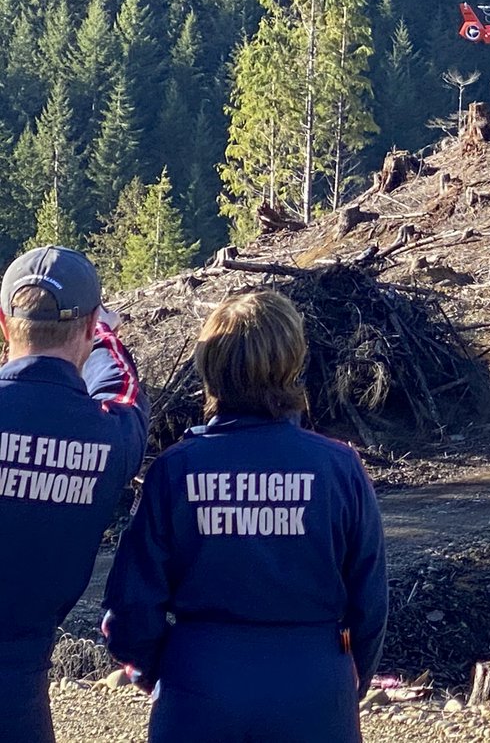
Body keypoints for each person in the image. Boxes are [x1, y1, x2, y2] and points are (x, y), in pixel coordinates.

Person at [102, 290, 388, 743]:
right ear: (292, 363)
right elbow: (369, 605)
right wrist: (345, 672)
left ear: (208, 366)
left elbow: (130, 608)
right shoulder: (339, 468)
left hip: (199, 683)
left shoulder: (176, 468)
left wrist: (160, 671)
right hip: (314, 685)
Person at [0, 245, 148, 743]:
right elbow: (123, 389)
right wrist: (105, 335)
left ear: (4, 325)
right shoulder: (109, 438)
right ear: (87, 329)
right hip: (18, 693)